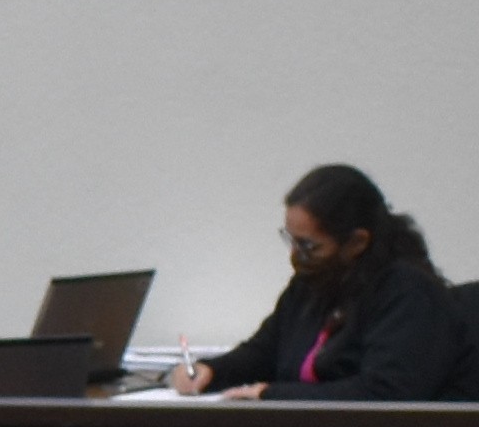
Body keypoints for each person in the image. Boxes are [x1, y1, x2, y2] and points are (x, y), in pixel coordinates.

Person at [178, 165, 455, 397]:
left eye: (309, 246)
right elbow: (264, 351)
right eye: (291, 240)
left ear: (356, 242)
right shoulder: (312, 284)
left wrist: (272, 395)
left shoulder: (407, 292)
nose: (296, 256)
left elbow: (382, 392)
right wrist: (211, 371)